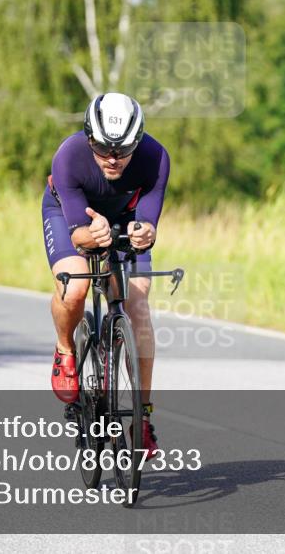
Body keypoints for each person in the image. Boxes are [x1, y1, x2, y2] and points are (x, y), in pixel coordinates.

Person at [42, 92, 170, 455]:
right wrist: (88, 235)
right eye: (102, 147)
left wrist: (146, 232)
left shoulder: (156, 157)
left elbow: (148, 221)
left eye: (123, 148)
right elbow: (77, 232)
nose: (112, 158)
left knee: (138, 305)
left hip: (124, 219)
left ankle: (142, 420)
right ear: (88, 137)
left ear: (138, 140)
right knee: (75, 286)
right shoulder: (69, 156)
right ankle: (66, 347)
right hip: (69, 215)